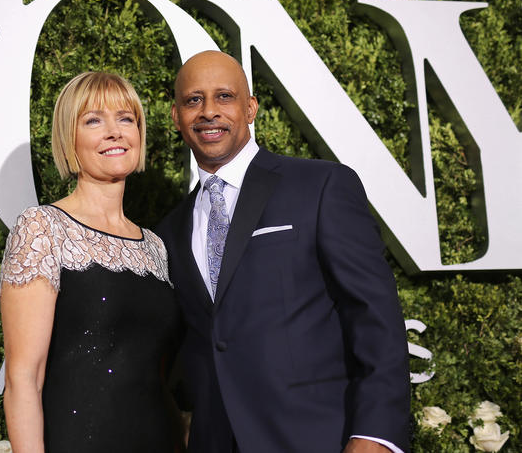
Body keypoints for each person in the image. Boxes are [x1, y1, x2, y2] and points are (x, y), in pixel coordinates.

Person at [156, 50, 410, 453]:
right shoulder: (169, 230)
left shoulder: (321, 186)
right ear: (176, 116)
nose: (208, 111)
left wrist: (375, 436)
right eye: (193, 100)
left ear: (250, 107)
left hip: (318, 438)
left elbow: (374, 317)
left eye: (224, 96)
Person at [0, 72, 183, 453]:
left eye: (126, 118)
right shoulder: (43, 228)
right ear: (70, 137)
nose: (114, 131)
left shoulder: (155, 247)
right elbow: (23, 378)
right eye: (93, 120)